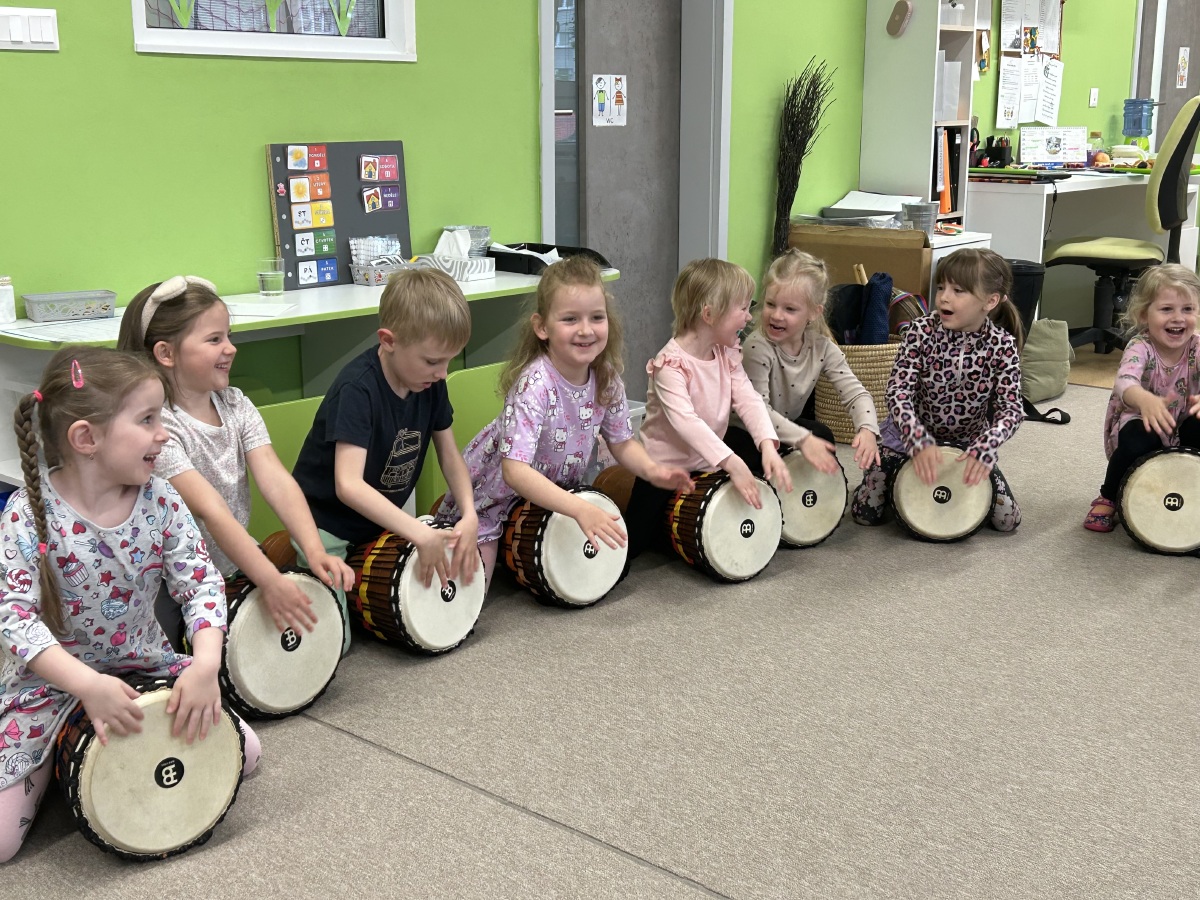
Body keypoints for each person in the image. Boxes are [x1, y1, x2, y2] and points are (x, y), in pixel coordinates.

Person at [0, 347, 260, 862]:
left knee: (245, 755)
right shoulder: (26, 515)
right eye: (147, 420)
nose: (164, 434)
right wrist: (86, 686)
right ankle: (60, 759)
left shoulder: (161, 499)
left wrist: (206, 665)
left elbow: (201, 585)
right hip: (50, 685)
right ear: (86, 438)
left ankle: (83, 758)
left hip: (144, 666)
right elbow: (15, 619)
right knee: (2, 845)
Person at [118, 276, 355, 652]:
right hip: (163, 579)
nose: (230, 348)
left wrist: (314, 550)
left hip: (226, 563)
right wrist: (270, 580)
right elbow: (210, 509)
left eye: (229, 336)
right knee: (167, 666)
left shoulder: (236, 404)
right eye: (214, 339)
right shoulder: (158, 427)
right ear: (166, 353)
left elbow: (275, 479)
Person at [434, 256, 692, 587]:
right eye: (570, 319)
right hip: (493, 498)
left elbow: (622, 442)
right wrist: (578, 508)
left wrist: (654, 471)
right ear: (542, 327)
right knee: (470, 591)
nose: (586, 329)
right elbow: (515, 472)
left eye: (596, 317)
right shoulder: (535, 384)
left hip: (550, 495)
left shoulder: (606, 377)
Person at [292, 268, 479, 628]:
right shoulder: (357, 389)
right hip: (325, 525)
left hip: (378, 523)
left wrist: (469, 514)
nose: (443, 373)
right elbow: (348, 486)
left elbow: (449, 455)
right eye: (432, 361)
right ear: (389, 341)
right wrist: (417, 531)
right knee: (333, 638)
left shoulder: (430, 383)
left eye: (449, 360)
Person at [624, 257, 792, 559]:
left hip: (710, 456)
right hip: (667, 465)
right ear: (709, 314)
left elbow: (749, 399)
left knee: (763, 449)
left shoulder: (726, 353)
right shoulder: (670, 365)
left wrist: (768, 445)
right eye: (743, 308)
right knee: (634, 545)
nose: (749, 317)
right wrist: (733, 464)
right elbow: (687, 423)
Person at [851, 248, 1024, 531]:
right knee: (865, 514)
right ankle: (893, 481)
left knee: (1007, 521)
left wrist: (988, 443)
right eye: (942, 287)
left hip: (968, 444)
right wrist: (916, 436)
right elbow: (898, 391)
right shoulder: (920, 332)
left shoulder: (1002, 345)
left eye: (958, 291)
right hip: (908, 439)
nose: (943, 297)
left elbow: (1012, 409)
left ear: (990, 301)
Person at [728, 248, 881, 474]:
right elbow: (759, 412)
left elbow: (856, 394)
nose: (777, 315)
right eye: (771, 304)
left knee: (822, 436)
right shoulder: (757, 347)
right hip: (746, 430)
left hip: (781, 426)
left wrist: (867, 428)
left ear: (814, 312)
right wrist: (802, 439)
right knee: (754, 454)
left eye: (790, 309)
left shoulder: (821, 347)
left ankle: (814, 486)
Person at [1084, 263, 1200, 531]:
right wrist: (1144, 400)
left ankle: (1190, 486)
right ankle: (1108, 495)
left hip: (1185, 419)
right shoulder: (1140, 346)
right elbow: (1125, 382)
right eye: (1167, 309)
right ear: (1144, 314)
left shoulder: (1197, 346)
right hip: (1142, 417)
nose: (1178, 318)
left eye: (1187, 309)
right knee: (1137, 439)